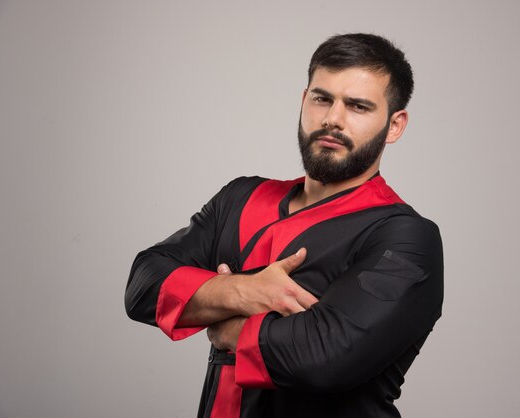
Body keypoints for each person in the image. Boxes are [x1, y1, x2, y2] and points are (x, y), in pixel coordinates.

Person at [125, 33, 444, 418]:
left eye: (358, 106)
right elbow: (143, 286)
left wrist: (224, 326)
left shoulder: (405, 237)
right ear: (303, 100)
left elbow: (324, 357)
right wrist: (243, 292)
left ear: (394, 126)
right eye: (322, 98)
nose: (332, 119)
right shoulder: (239, 199)